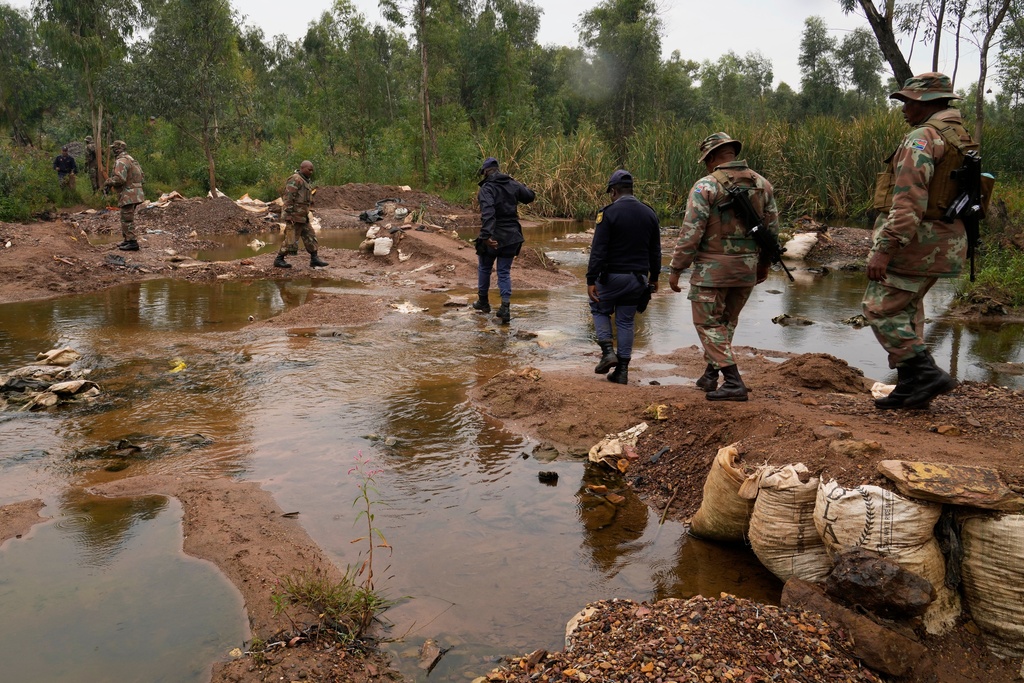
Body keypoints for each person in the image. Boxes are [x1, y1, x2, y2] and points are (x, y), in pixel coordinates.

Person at [864, 73, 973, 410]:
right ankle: (913, 388)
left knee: (878, 308)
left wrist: (885, 247)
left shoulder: (922, 138)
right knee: (907, 309)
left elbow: (909, 202)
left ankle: (925, 374)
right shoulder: (959, 136)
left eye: (908, 101)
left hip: (918, 243)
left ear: (927, 102)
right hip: (946, 241)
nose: (903, 108)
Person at [667, 132, 779, 401]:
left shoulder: (705, 186)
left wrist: (676, 268)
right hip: (746, 271)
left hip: (712, 270)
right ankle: (710, 375)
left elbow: (691, 232)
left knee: (707, 323)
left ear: (712, 157)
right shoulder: (763, 184)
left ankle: (732, 381)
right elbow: (772, 232)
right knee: (726, 323)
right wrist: (763, 266)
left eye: (706, 159)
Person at [586, 169, 661, 385]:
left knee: (598, 307)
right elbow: (655, 250)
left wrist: (591, 279)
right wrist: (654, 278)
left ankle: (608, 352)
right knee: (626, 321)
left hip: (611, 277)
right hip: (638, 279)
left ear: (613, 191)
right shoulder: (649, 213)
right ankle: (622, 371)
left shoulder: (608, 213)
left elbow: (598, 250)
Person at [472, 156, 536, 324]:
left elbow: (488, 212)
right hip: (512, 236)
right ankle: (505, 308)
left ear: (485, 172)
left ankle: (483, 303)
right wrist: (517, 183)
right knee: (504, 272)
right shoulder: (512, 184)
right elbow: (530, 196)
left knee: (485, 267)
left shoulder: (487, 188)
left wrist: (486, 236)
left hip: (494, 235)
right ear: (498, 169)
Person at [274, 160, 327, 269]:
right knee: (291, 240)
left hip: (303, 217)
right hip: (294, 217)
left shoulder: (305, 181)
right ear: (302, 168)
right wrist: (289, 215)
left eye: (312, 170)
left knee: (310, 237)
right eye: (309, 169)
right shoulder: (295, 179)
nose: (311, 172)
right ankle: (279, 259)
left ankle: (314, 259)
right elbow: (288, 198)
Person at [103, 140, 145, 251]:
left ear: (117, 149)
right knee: (126, 217)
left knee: (127, 219)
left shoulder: (121, 161)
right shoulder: (131, 159)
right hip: (136, 192)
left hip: (128, 193)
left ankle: (132, 242)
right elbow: (142, 176)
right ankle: (127, 240)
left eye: (113, 149)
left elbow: (119, 179)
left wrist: (108, 182)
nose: (112, 151)